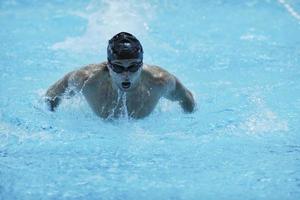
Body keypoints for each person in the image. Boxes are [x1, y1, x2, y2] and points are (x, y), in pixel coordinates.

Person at [45, 32, 195, 119]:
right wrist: (51, 119)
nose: (126, 74)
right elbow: (53, 94)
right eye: (118, 67)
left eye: (133, 66)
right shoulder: (86, 80)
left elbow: (186, 98)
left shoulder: (159, 81)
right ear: (108, 65)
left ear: (141, 65)